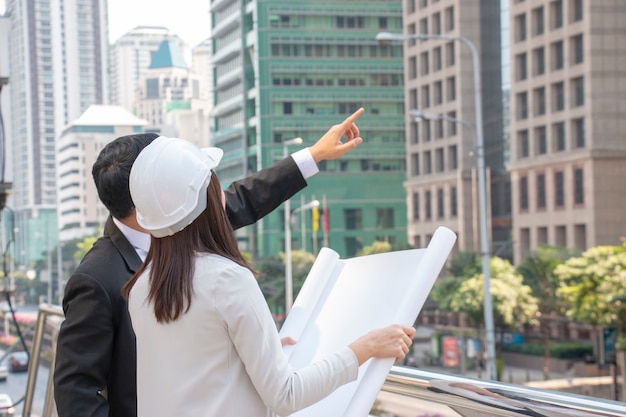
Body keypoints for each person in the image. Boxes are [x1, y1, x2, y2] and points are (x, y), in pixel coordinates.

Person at [53, 109, 367, 417]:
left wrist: (313, 155)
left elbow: (245, 198)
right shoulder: (98, 278)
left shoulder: (184, 223)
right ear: (149, 199)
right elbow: (76, 390)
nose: (216, 197)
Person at [122, 136, 416, 417]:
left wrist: (260, 345)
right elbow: (286, 396)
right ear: (209, 202)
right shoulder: (225, 279)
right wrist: (365, 348)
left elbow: (198, 371)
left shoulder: (141, 287)